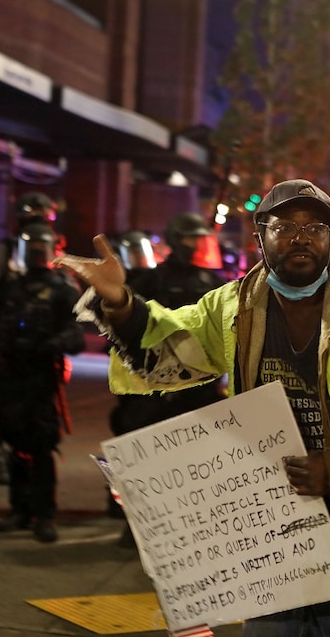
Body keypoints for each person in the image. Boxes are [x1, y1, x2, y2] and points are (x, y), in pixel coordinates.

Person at [56, 179, 330, 636]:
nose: (301, 237)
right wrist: (118, 302)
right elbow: (169, 351)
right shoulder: (232, 308)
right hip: (271, 529)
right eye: (284, 226)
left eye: (316, 227)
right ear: (260, 238)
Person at [107, 213, 225, 532]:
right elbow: (126, 325)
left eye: (198, 240)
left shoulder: (214, 283)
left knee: (194, 461)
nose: (194, 246)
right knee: (146, 458)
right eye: (190, 239)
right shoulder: (150, 280)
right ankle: (139, 527)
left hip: (198, 385)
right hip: (154, 384)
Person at [0, 222, 85, 544]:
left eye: (42, 249)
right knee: (13, 444)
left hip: (40, 377)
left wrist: (48, 345)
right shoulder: (11, 288)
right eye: (32, 249)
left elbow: (76, 334)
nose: (37, 254)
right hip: (9, 375)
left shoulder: (63, 290)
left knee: (41, 447)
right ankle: (19, 510)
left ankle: (44, 515)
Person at [0, 191, 62, 484]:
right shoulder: (4, 251)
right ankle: (1, 461)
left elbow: (68, 298)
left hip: (41, 345)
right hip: (6, 339)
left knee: (40, 413)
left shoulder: (56, 251)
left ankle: (32, 467)